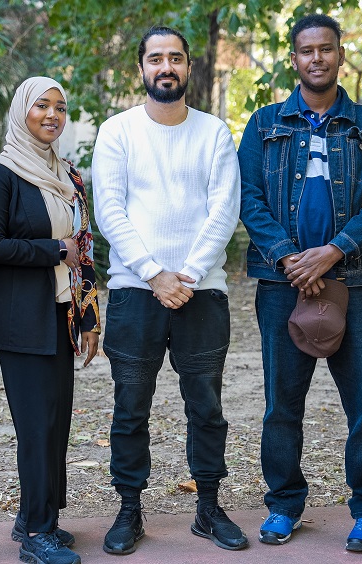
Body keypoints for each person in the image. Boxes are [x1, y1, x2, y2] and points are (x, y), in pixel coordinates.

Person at [237, 13, 362, 553]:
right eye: (306, 50)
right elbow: (248, 197)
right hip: (280, 284)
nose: (316, 58)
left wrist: (333, 252)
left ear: (339, 55)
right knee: (281, 404)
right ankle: (284, 505)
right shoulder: (264, 124)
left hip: (353, 284)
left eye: (326, 49)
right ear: (294, 59)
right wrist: (290, 258)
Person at [92, 25, 247, 555]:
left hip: (202, 293)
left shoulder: (214, 134)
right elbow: (109, 210)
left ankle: (208, 507)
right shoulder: (118, 132)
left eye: (175, 58)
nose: (166, 67)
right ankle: (130, 509)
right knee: (130, 408)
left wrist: (186, 274)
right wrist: (154, 272)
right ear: (141, 68)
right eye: (156, 58)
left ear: (188, 68)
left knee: (205, 407)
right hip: (136, 292)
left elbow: (224, 210)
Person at [0, 77, 101, 564]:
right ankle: (36, 536)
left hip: (62, 313)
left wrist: (89, 318)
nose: (52, 115)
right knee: (35, 425)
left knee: (56, 421)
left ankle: (36, 518)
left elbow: (83, 247)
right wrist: (53, 250)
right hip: (21, 319)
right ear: (22, 111)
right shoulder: (1, 174)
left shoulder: (67, 174)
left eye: (60, 107)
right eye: (41, 106)